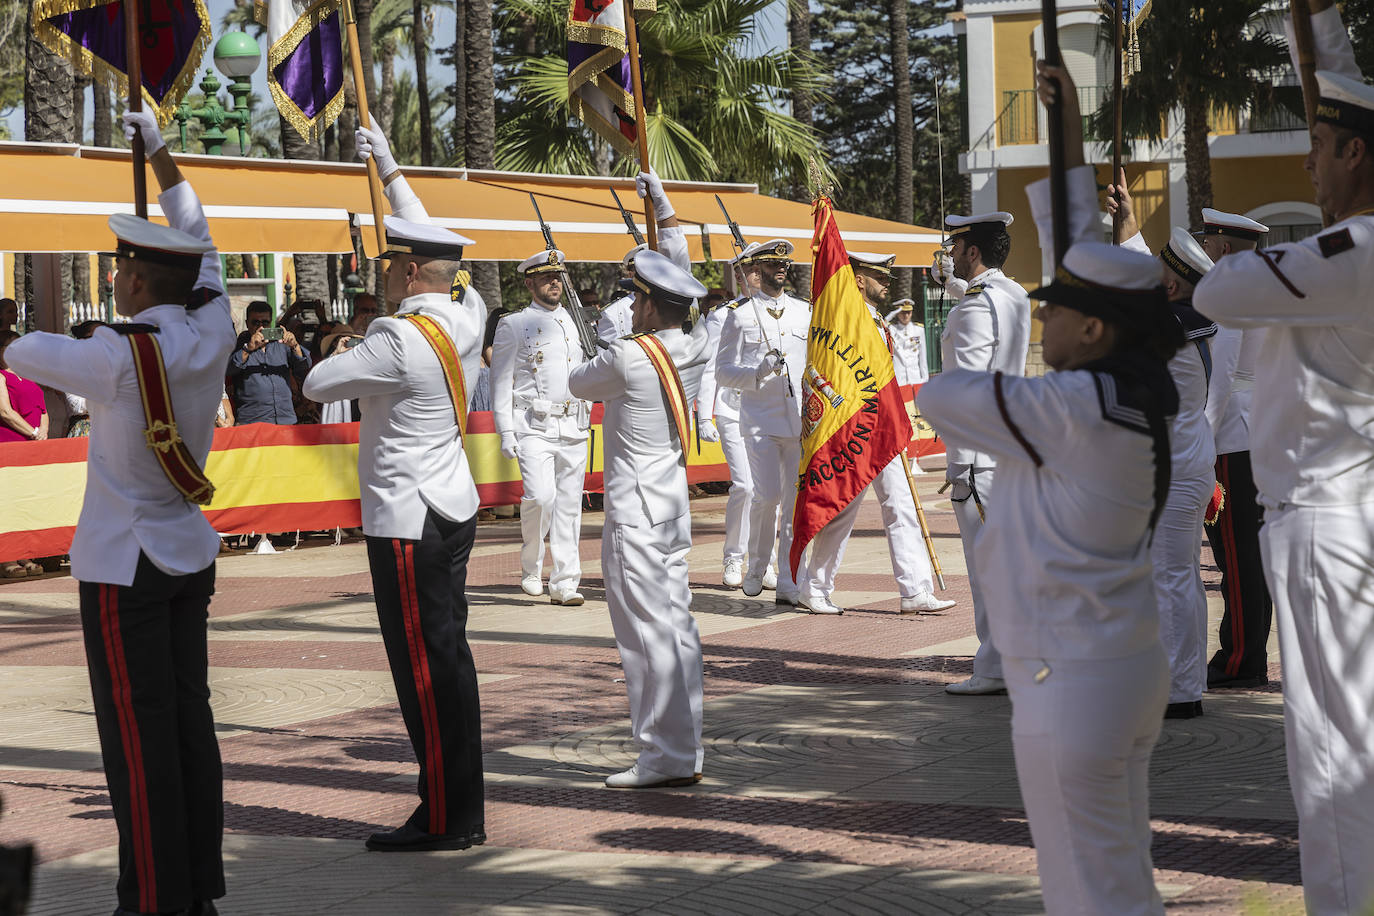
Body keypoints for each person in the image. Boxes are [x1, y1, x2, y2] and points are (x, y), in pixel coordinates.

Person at [918, 60, 1184, 914]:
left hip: (1072, 681)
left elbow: (941, 395)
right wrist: (1065, 129)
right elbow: (1082, 252)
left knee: (1087, 886)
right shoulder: (1123, 391)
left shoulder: (1073, 405)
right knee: (1112, 872)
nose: (1045, 317)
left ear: (1096, 328)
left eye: (1057, 309)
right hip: (1112, 666)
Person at [4, 109, 236, 915]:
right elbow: (199, 234)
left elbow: (26, 352)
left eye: (118, 271)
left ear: (135, 281)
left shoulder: (115, 355)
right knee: (188, 729)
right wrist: (162, 158)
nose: (113, 278)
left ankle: (152, 900)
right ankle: (196, 890)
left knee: (137, 742)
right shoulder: (214, 325)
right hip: (186, 550)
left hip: (123, 564)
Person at [1191, 5, 1374, 910]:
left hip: (1324, 523)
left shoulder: (1349, 253)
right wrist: (1325, 37)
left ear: (1356, 157)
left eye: (1323, 145)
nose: (1308, 163)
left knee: (1333, 748)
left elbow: (1221, 289)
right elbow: (1343, 92)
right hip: (1352, 509)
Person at [300, 123, 488, 854]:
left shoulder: (396, 338)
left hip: (407, 521)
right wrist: (389, 169)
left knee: (424, 670)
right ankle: (457, 807)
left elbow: (317, 382)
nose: (380, 275)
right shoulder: (466, 317)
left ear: (410, 274)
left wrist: (350, 340)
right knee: (450, 662)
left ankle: (445, 815)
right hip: (452, 506)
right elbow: (443, 252)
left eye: (389, 265)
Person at [1114, 199, 1275, 690]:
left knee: (1236, 559)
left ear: (1222, 248)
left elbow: (1215, 386)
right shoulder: (1237, 292)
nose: (1202, 250)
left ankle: (1240, 661)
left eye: (1206, 243)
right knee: (1219, 561)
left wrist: (1198, 451)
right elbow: (1162, 280)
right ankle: (1230, 659)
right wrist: (1128, 230)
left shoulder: (1230, 301)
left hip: (1225, 438)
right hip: (1227, 439)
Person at [568, 249, 710, 788]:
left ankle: (663, 756)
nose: (630, 307)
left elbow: (578, 382)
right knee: (679, 628)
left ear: (649, 306)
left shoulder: (629, 356)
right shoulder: (694, 345)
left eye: (635, 298)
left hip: (635, 513)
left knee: (645, 637)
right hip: (671, 506)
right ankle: (685, 746)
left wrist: (605, 339)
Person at [800, 253, 956, 617]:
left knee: (901, 505)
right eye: (878, 276)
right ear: (857, 280)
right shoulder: (848, 320)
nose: (886, 282)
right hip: (857, 428)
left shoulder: (878, 322)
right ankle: (815, 588)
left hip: (885, 426)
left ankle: (915, 590)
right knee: (842, 510)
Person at [1114, 217, 1219, 720]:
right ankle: (1183, 679)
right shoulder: (1187, 317)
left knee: (1173, 577)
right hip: (1186, 455)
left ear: (1171, 285)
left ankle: (1180, 692)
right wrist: (1127, 229)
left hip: (1173, 466)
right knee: (1181, 578)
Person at [934, 211, 1032, 696]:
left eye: (956, 247)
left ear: (973, 251)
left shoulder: (976, 305)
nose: (950, 253)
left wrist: (961, 463)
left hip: (980, 456)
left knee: (987, 567)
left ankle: (995, 667)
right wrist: (953, 285)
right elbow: (984, 308)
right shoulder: (1012, 294)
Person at [491, 249, 592, 605]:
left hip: (575, 424)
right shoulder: (514, 324)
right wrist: (505, 430)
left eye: (558, 276)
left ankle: (565, 582)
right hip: (533, 425)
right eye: (547, 277)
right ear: (529, 282)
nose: (555, 283)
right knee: (540, 497)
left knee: (569, 506)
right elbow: (500, 381)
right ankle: (531, 564)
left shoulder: (576, 321)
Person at [715, 240, 811, 605]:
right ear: (757, 271)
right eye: (773, 264)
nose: (781, 269)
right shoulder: (739, 315)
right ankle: (756, 565)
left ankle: (787, 578)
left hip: (799, 420)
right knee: (766, 496)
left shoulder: (804, 312)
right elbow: (723, 372)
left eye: (784, 263)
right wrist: (756, 373)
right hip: (759, 421)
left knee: (791, 502)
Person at [695, 255, 753, 589]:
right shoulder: (721, 316)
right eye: (749, 273)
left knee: (769, 493)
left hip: (771, 410)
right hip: (732, 408)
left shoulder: (790, 311)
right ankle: (734, 556)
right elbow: (709, 367)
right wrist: (705, 414)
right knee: (744, 485)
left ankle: (764, 561)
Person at [226, 300, 311, 425]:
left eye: (265, 322)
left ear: (270, 323)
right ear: (247, 324)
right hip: (252, 422)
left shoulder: (281, 344)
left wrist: (295, 346)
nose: (260, 327)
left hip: (285, 420)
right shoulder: (239, 346)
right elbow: (228, 370)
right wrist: (248, 348)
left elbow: (304, 367)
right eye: (255, 322)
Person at [0, 330, 48, 445]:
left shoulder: (26, 374)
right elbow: (5, 411)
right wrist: (34, 433)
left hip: (36, 441)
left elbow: (43, 410)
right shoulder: (2, 375)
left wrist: (44, 430)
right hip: (12, 442)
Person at [886, 298, 928, 388]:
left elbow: (922, 357)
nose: (906, 315)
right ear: (897, 313)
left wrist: (925, 380)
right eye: (903, 312)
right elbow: (880, 328)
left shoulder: (919, 330)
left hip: (915, 378)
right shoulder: (891, 329)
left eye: (909, 312)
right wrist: (889, 316)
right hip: (900, 379)